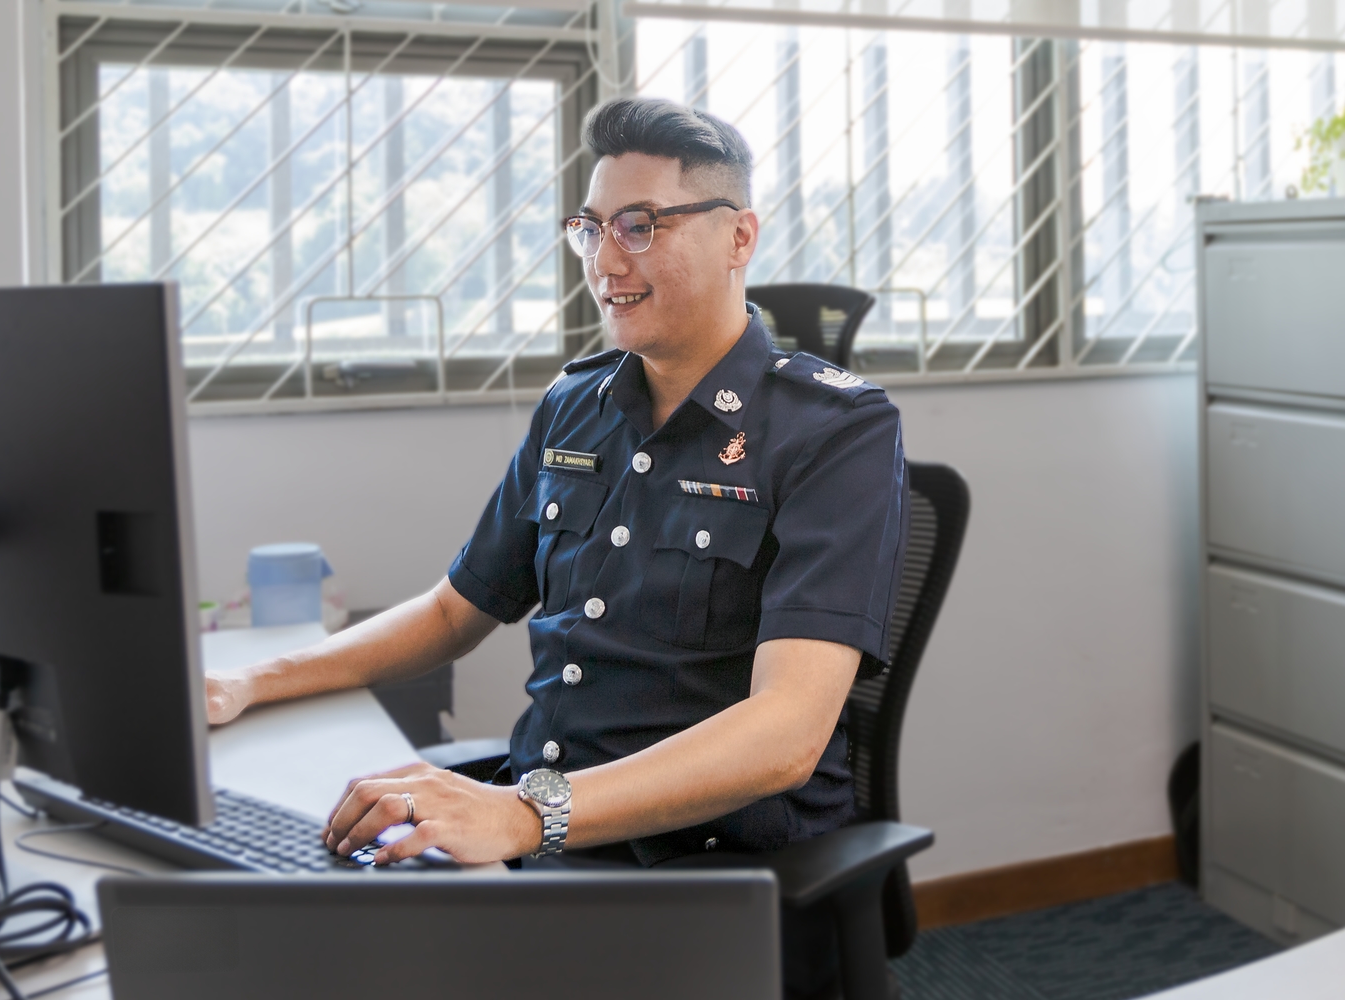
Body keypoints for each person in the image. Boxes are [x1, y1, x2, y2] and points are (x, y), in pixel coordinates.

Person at [206, 96, 907, 995]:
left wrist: (522, 815)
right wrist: (251, 682)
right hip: (549, 823)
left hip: (695, 864)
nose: (608, 263)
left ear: (739, 239)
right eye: (593, 228)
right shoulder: (576, 403)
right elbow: (458, 608)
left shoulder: (834, 430)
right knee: (283, 917)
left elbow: (785, 736)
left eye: (643, 227)